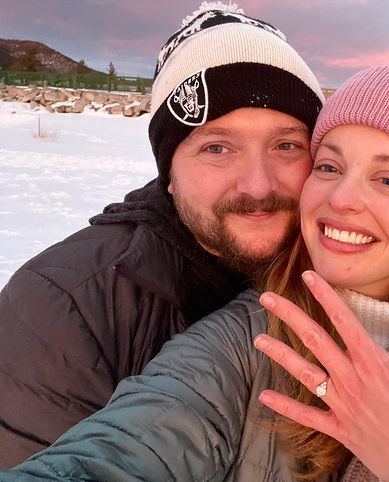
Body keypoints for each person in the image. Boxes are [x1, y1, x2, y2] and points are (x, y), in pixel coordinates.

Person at [5, 59, 389, 481]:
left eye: (388, 179)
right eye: (329, 165)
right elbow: (120, 452)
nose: (340, 200)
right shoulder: (245, 345)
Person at [0, 2, 324, 469]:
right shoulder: (63, 307)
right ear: (168, 173)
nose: (258, 184)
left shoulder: (353, 271)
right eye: (217, 147)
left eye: (287, 145)